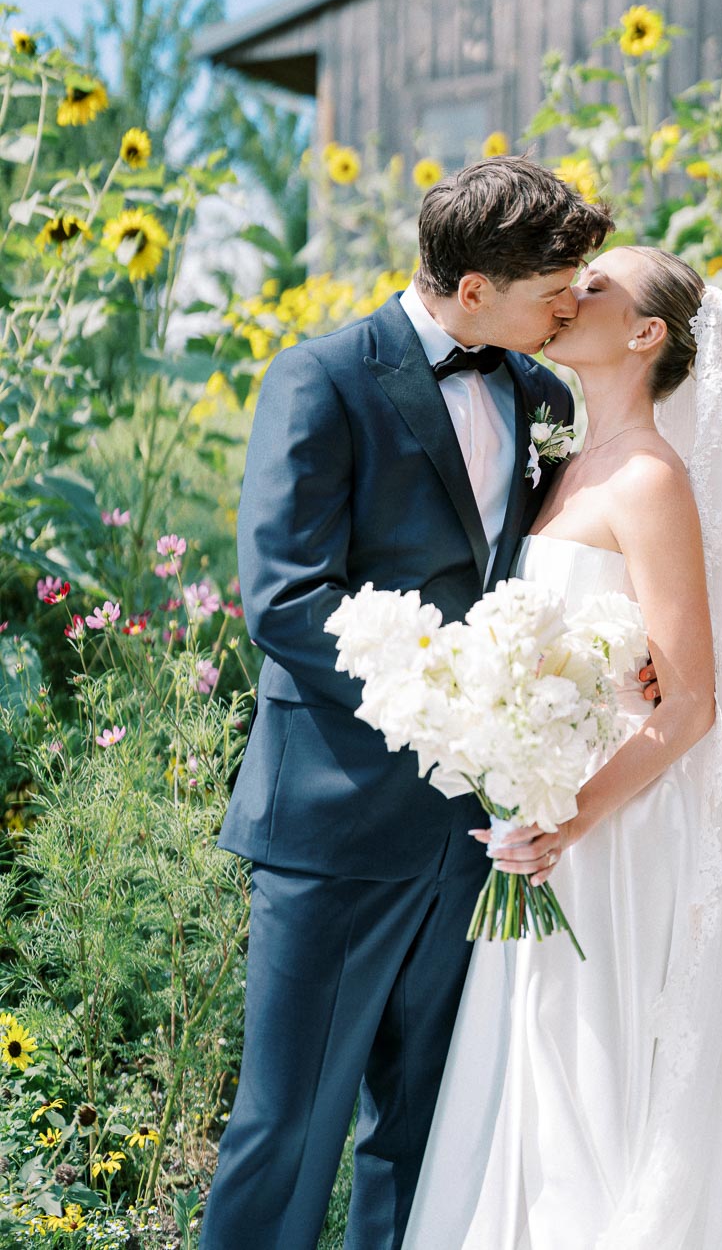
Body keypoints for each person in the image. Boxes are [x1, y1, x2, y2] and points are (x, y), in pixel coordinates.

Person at [199, 158, 638, 1250]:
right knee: (288, 1124)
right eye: (555, 288)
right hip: (337, 821)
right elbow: (289, 600)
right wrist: (457, 708)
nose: (572, 305)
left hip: (475, 829)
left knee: (430, 1128)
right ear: (476, 288)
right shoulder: (322, 378)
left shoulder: (540, 396)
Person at [402, 247, 722, 1249]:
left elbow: (689, 705)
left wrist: (572, 814)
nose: (571, 292)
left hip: (611, 826)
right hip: (546, 811)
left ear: (646, 335)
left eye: (598, 285)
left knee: (588, 1085)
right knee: (536, 1079)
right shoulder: (564, 459)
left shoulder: (647, 477)